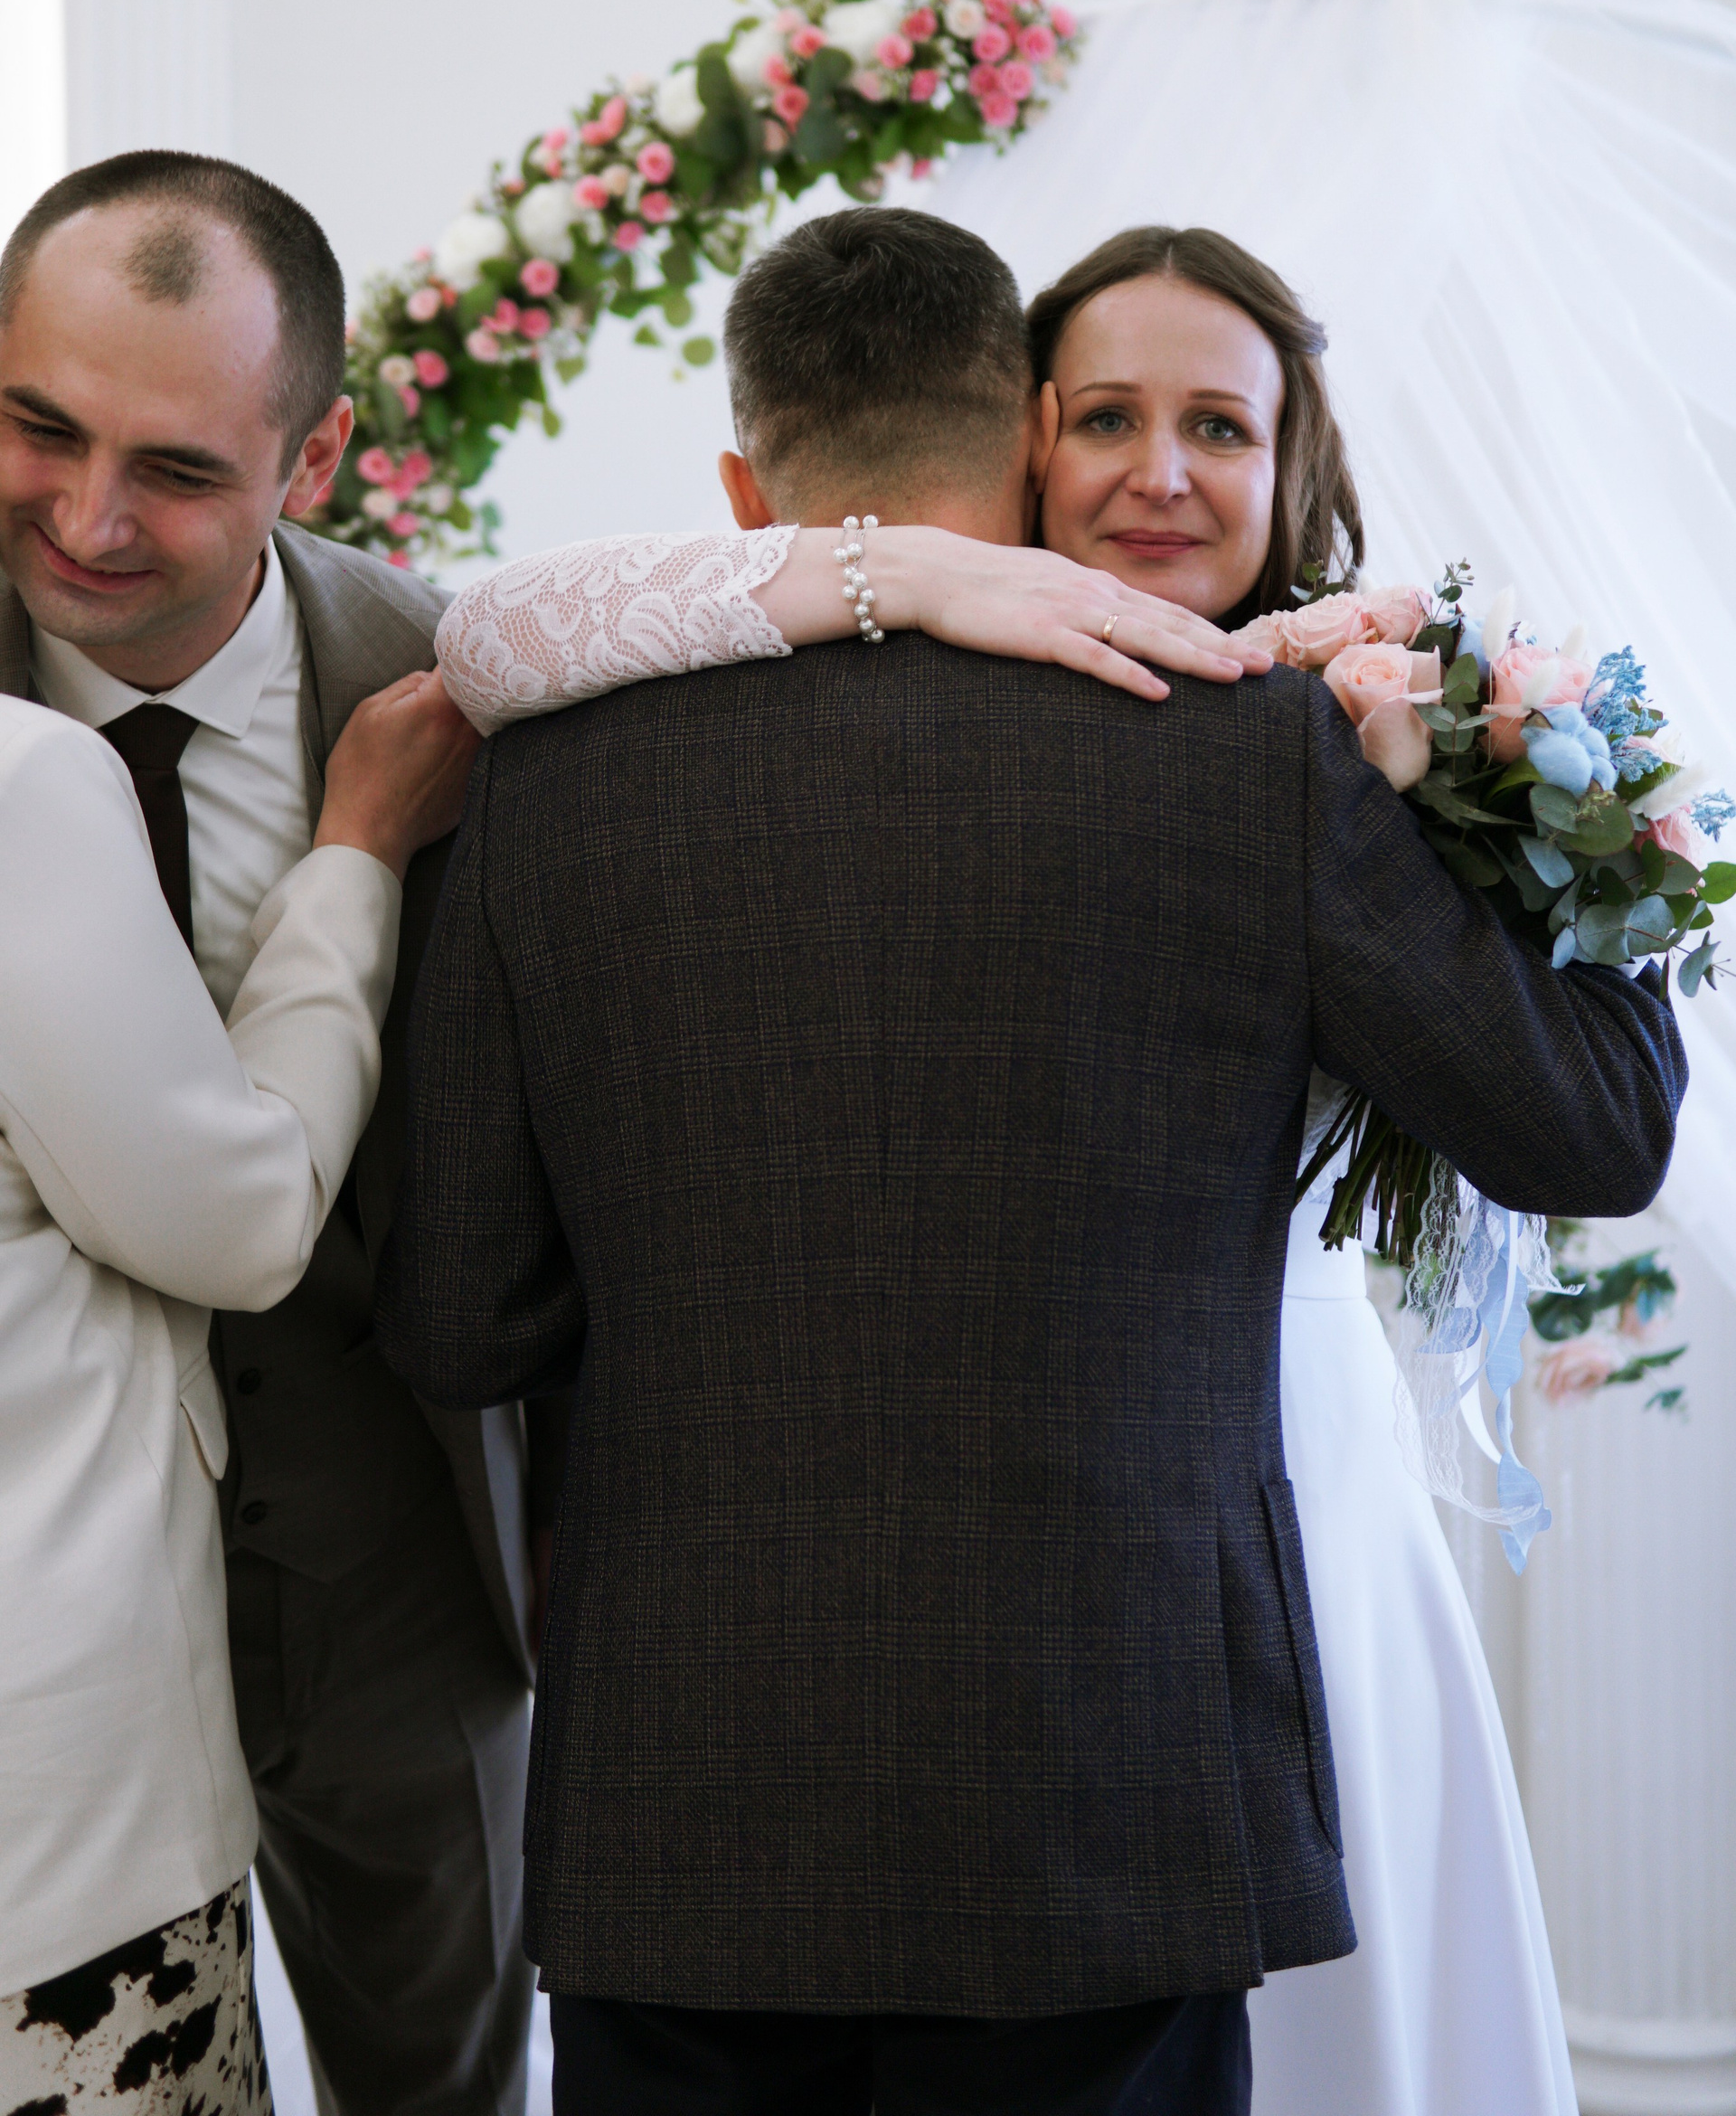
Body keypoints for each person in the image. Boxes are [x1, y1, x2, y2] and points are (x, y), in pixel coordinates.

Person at [382, 207, 1683, 2116]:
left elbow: (462, 1319)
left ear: (745, 492)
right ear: (1026, 444)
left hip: (688, 1801)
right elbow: (1595, 1130)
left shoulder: (546, 776)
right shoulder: (1250, 755)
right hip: (1109, 1784)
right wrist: (1603, 819)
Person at [0, 152, 562, 2116]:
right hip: (40, 1630)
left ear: (311, 456)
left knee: (443, 2078)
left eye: (176, 469)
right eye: (39, 427)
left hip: (389, 1567)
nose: (88, 519)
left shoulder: (451, 689)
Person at [0, 662, 473, 2113]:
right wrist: (357, 856)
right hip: (62, 1825)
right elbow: (244, 1218)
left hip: (384, 1597)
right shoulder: (22, 780)